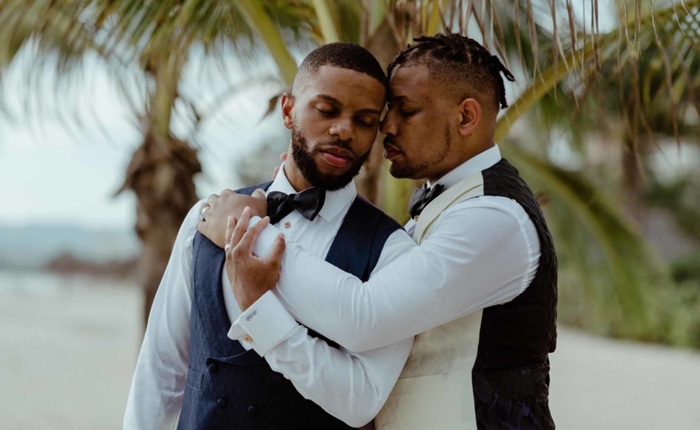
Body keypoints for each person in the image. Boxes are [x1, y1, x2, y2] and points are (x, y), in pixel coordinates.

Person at [200, 32, 557, 429]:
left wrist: (244, 229)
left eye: (406, 109)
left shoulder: (494, 217)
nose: (386, 125)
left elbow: (364, 319)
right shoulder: (448, 205)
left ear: (466, 117)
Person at [123, 42, 417, 430]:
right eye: (327, 110)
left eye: (364, 121)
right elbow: (161, 369)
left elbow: (361, 399)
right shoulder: (206, 218)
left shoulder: (393, 251)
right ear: (288, 110)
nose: (344, 130)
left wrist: (261, 310)